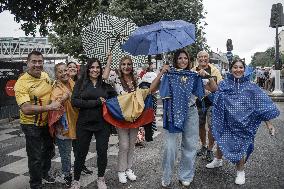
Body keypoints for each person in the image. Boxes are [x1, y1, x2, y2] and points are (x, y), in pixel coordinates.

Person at [150, 49, 218, 187]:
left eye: (185, 58)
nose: (183, 61)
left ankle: (186, 175)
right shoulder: (168, 75)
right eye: (180, 58)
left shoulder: (194, 74)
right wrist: (162, 72)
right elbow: (152, 89)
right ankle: (166, 176)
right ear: (175, 60)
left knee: (190, 145)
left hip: (191, 112)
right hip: (172, 113)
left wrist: (207, 76)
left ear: (189, 60)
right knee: (170, 147)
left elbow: (214, 89)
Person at [206, 59, 279, 185]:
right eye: (235, 67)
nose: (238, 70)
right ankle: (218, 160)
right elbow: (217, 95)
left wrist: (269, 124)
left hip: (243, 124)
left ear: (244, 70)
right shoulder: (224, 84)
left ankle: (240, 171)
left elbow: (261, 106)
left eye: (240, 67)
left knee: (239, 147)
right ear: (230, 69)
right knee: (221, 139)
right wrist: (209, 86)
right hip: (227, 121)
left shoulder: (251, 87)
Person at [14, 51, 61, 189]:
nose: (37, 64)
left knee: (49, 151)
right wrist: (50, 106)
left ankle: (44, 173)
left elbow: (52, 87)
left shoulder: (45, 75)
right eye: (34, 61)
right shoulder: (21, 83)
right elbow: (26, 108)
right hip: (31, 124)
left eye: (40, 61)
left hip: (47, 122)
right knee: (35, 156)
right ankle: (35, 184)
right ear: (27, 63)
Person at [69, 57, 117, 189]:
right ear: (88, 69)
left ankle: (101, 178)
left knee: (102, 151)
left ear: (101, 70)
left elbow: (116, 101)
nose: (95, 70)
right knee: (80, 152)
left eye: (97, 67)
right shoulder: (80, 83)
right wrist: (95, 102)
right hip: (84, 124)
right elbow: (74, 102)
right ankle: (76, 180)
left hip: (102, 125)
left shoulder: (106, 85)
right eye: (92, 67)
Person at [103, 55, 141, 184]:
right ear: (120, 66)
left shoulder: (136, 78)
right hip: (120, 116)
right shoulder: (116, 78)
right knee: (124, 145)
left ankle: (128, 168)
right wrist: (109, 60)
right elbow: (104, 78)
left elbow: (142, 93)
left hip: (135, 116)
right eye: (123, 64)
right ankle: (120, 170)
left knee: (132, 144)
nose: (126, 67)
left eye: (128, 64)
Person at [48, 63, 79, 187]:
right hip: (63, 127)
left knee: (79, 150)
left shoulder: (73, 84)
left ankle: (78, 169)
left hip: (77, 123)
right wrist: (63, 98)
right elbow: (53, 107)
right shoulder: (56, 89)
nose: (64, 73)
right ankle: (66, 174)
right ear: (56, 75)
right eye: (60, 72)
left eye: (65, 70)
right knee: (65, 153)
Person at [192, 51, 222, 162]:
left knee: (211, 126)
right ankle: (203, 146)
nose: (203, 59)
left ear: (208, 59)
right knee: (200, 125)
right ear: (197, 59)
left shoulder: (214, 70)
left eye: (205, 57)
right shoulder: (193, 70)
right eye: (200, 57)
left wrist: (210, 89)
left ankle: (210, 149)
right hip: (198, 102)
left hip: (212, 103)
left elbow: (220, 86)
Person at [67, 61, 93, 175]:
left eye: (74, 67)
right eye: (70, 67)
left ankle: (80, 164)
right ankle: (69, 169)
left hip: (80, 115)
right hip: (68, 117)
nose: (72, 68)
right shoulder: (63, 82)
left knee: (81, 143)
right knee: (70, 145)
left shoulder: (80, 82)